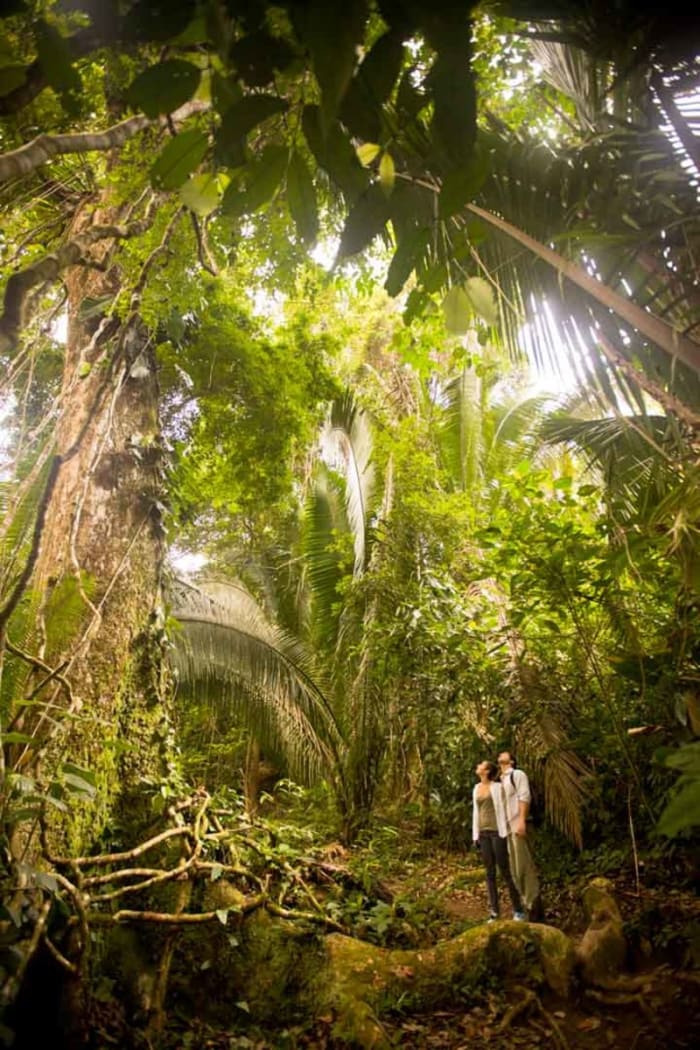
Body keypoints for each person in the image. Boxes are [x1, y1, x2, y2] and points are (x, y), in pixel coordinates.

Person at [472, 760, 525, 922]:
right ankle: (494, 912)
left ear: (487, 771)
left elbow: (508, 805)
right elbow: (476, 812)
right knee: (489, 873)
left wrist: (514, 826)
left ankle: (518, 910)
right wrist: (475, 835)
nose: (477, 766)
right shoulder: (476, 788)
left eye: (480, 765)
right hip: (483, 833)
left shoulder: (497, 787)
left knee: (505, 870)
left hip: (497, 832)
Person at [497, 750, 543, 922]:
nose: (501, 756)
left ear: (512, 761)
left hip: (519, 825)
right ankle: (526, 906)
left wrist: (522, 821)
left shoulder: (517, 774)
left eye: (505, 754)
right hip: (508, 829)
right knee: (516, 871)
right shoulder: (500, 780)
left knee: (525, 867)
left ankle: (535, 912)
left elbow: (524, 796)